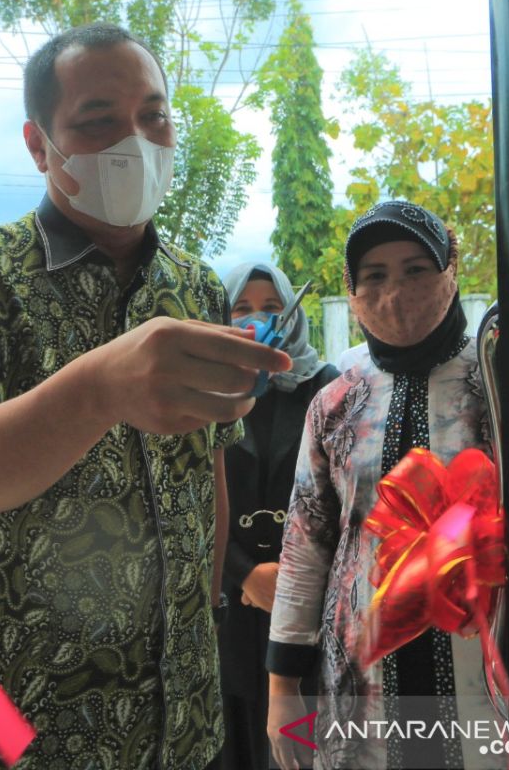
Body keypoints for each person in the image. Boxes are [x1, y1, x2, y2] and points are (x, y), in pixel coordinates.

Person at [0, 23, 290, 769]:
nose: (136, 140)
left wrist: (207, 605)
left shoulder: (196, 284)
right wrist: (98, 387)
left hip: (183, 702)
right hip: (39, 710)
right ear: (38, 144)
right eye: (98, 120)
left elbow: (207, 467)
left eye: (154, 114)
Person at [265, 201, 495, 770]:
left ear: (450, 269)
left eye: (417, 269)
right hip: (360, 679)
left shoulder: (501, 380)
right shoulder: (334, 403)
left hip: (486, 669)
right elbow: (306, 546)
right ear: (353, 287)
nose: (396, 292)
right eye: (375, 275)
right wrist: (281, 689)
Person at [217, 264, 338, 770]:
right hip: (228, 602)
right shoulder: (204, 392)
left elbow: (342, 499)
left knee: (299, 746)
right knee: (234, 739)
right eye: (241, 309)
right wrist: (245, 573)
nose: (258, 320)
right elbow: (191, 498)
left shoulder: (328, 387)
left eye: (271, 307)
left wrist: (286, 583)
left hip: (308, 606)